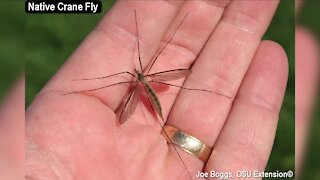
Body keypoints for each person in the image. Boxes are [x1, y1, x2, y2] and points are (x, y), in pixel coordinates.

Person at [26, 1, 290, 179]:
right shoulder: (140, 82)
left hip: (151, 87)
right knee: (153, 89)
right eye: (137, 75)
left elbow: (147, 67)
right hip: (151, 88)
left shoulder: (138, 79)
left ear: (137, 75)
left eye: (136, 74)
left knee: (159, 80)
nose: (135, 74)